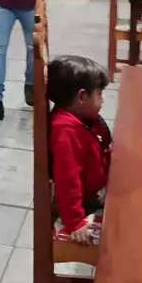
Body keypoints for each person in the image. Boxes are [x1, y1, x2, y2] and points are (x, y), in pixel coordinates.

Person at [47, 55, 112, 244]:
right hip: (86, 202)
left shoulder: (81, 118)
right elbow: (67, 180)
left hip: (96, 190)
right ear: (82, 97)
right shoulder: (65, 131)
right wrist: (75, 222)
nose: (102, 100)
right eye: (99, 94)